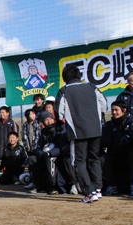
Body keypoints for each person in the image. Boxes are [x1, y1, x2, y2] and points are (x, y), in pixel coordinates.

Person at [55, 64, 107, 203]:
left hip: (78, 131)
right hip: (96, 129)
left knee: (78, 162)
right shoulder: (91, 86)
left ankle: (89, 192)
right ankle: (97, 188)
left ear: (65, 77)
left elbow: (59, 113)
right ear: (79, 75)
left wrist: (66, 121)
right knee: (94, 158)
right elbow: (104, 104)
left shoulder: (64, 90)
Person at [100, 100, 133, 196]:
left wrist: (130, 137)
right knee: (103, 158)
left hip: (129, 152)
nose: (113, 113)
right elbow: (104, 142)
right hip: (114, 154)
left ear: (124, 110)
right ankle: (111, 186)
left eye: (116, 110)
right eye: (112, 110)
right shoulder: (108, 125)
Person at [0, 105, 19, 174]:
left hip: (9, 147)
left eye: (3, 112)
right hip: (0, 146)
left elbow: (15, 135)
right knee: (2, 160)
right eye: (0, 113)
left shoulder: (12, 123)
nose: (2, 114)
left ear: (7, 113)